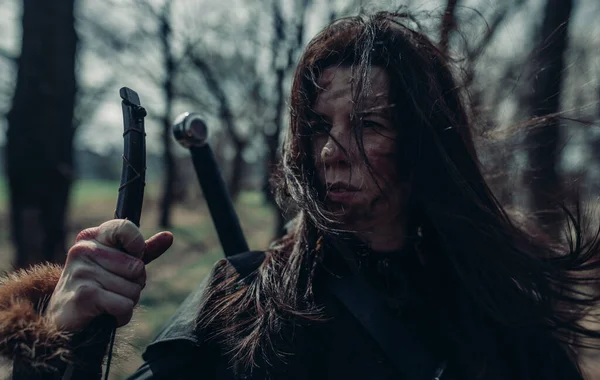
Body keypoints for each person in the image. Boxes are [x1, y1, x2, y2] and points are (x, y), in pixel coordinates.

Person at [0, 11, 598, 380]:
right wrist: (61, 340)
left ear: (425, 146)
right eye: (318, 127)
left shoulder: (498, 304)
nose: (332, 151)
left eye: (368, 124)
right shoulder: (245, 296)